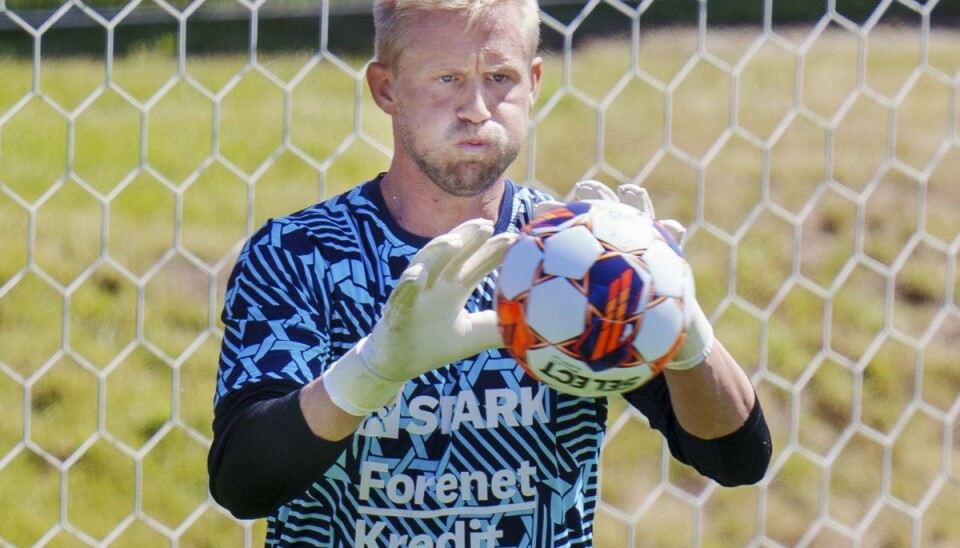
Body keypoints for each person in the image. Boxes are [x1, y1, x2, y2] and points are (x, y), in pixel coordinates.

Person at [207, 0, 772, 545]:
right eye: (447, 79)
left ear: (534, 83)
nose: (476, 106)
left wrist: (684, 333)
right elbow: (243, 483)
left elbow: (735, 458)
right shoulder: (299, 253)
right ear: (386, 89)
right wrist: (374, 371)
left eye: (499, 77)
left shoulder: (574, 258)